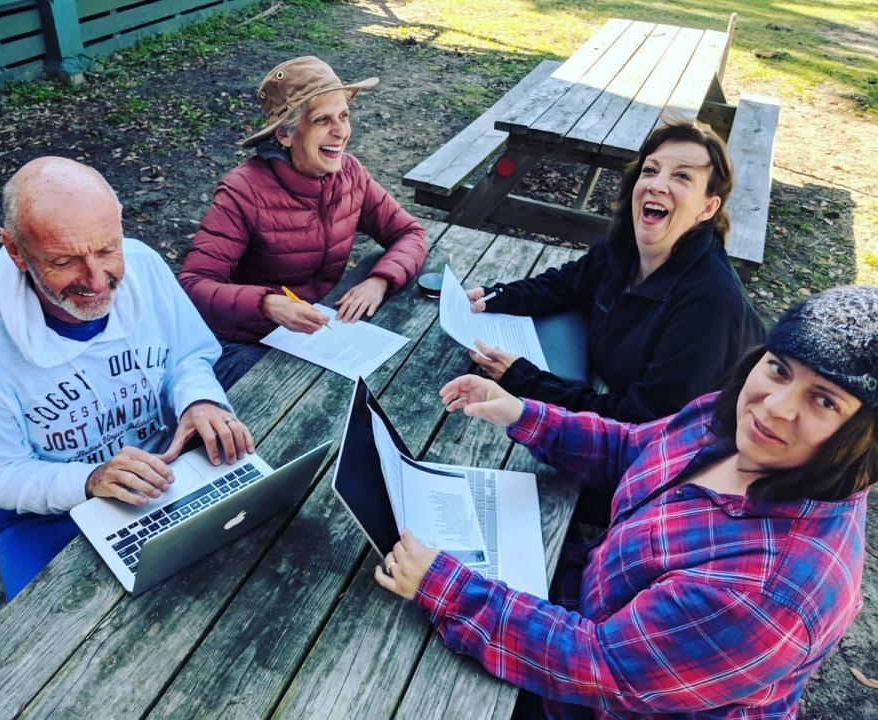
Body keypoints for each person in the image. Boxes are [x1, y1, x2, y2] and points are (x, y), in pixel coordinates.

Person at [375, 285, 878, 719]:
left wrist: (446, 588)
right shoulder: (736, 423)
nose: (776, 406)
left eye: (825, 400)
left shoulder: (773, 590)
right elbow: (633, 448)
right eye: (780, 369)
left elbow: (602, 669)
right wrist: (523, 413)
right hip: (579, 607)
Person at [0, 157, 254, 601]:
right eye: (64, 260)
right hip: (45, 513)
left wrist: (199, 400)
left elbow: (188, 356)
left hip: (168, 469)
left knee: (248, 566)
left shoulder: (145, 266)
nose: (96, 280)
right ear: (14, 251)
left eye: (107, 249)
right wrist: (89, 480)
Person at [466, 121, 765, 423]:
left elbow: (642, 422)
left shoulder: (709, 304)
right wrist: (499, 296)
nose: (657, 185)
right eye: (650, 170)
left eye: (682, 176)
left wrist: (523, 379)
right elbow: (565, 285)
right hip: (604, 392)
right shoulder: (624, 248)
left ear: (708, 208)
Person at [179, 56, 427, 389]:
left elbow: (409, 232)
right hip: (246, 342)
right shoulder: (243, 190)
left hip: (317, 333)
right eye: (323, 120)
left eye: (344, 116)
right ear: (284, 134)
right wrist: (266, 304)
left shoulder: (350, 174)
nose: (340, 131)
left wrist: (380, 280)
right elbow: (193, 285)